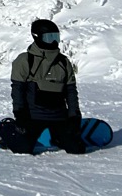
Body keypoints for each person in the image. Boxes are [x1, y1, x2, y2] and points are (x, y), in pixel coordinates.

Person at [9, 18, 86, 154]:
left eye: (56, 37)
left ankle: (58, 137)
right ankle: (7, 129)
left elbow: (71, 91)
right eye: (49, 38)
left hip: (59, 116)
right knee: (22, 150)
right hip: (33, 117)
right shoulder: (25, 60)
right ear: (37, 37)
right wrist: (20, 115)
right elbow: (18, 90)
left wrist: (74, 115)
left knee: (77, 149)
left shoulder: (63, 61)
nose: (54, 42)